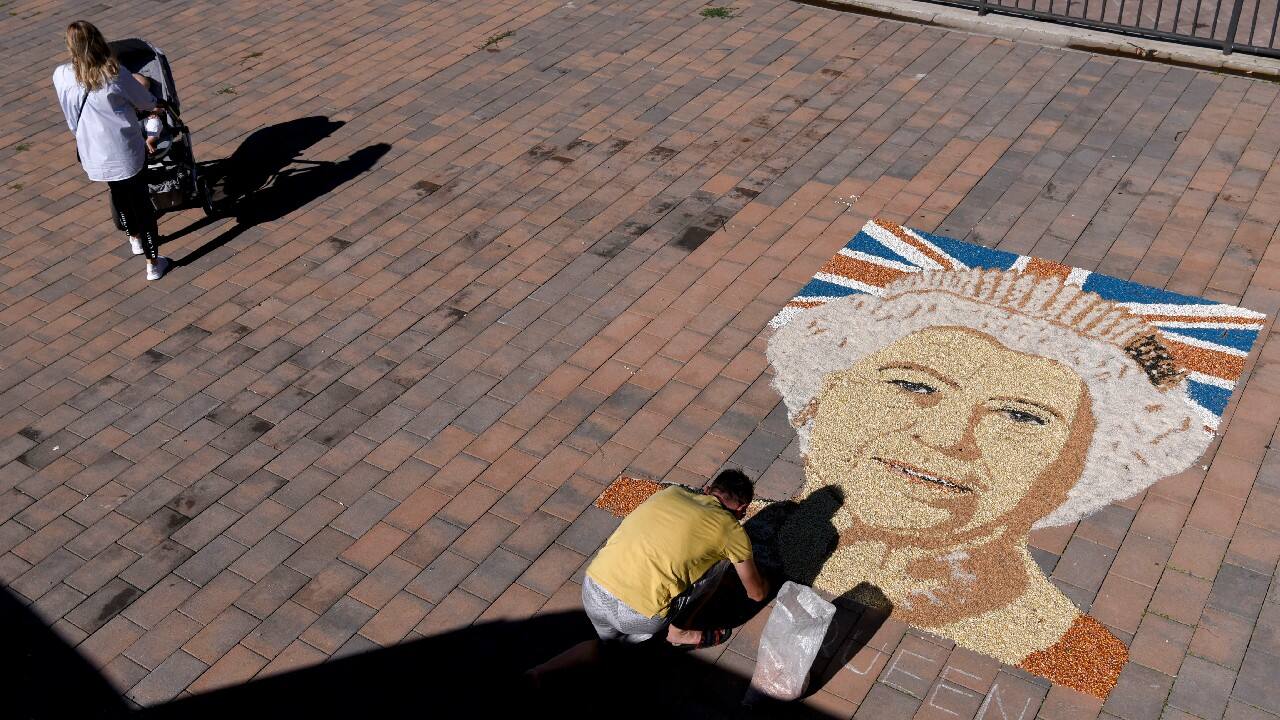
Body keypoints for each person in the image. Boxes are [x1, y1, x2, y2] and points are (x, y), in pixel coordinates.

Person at [766, 265, 1216, 697]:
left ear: (1068, 474)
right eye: (915, 386)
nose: (948, 437)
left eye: (1020, 416)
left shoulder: (1077, 654)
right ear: (820, 401)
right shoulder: (726, 528)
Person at [526, 469, 770, 686]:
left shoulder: (670, 493)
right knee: (720, 563)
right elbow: (756, 593)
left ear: (707, 489)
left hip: (594, 590)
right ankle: (679, 633)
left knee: (606, 648)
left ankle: (539, 672)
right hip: (640, 615)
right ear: (742, 509)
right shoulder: (732, 530)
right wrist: (766, 582)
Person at [53, 20, 171, 280]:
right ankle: (153, 263)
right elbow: (144, 101)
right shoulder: (113, 73)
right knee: (142, 203)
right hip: (124, 149)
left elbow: (69, 115)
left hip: (93, 149)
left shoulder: (61, 75)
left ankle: (134, 238)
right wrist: (155, 107)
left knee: (118, 192)